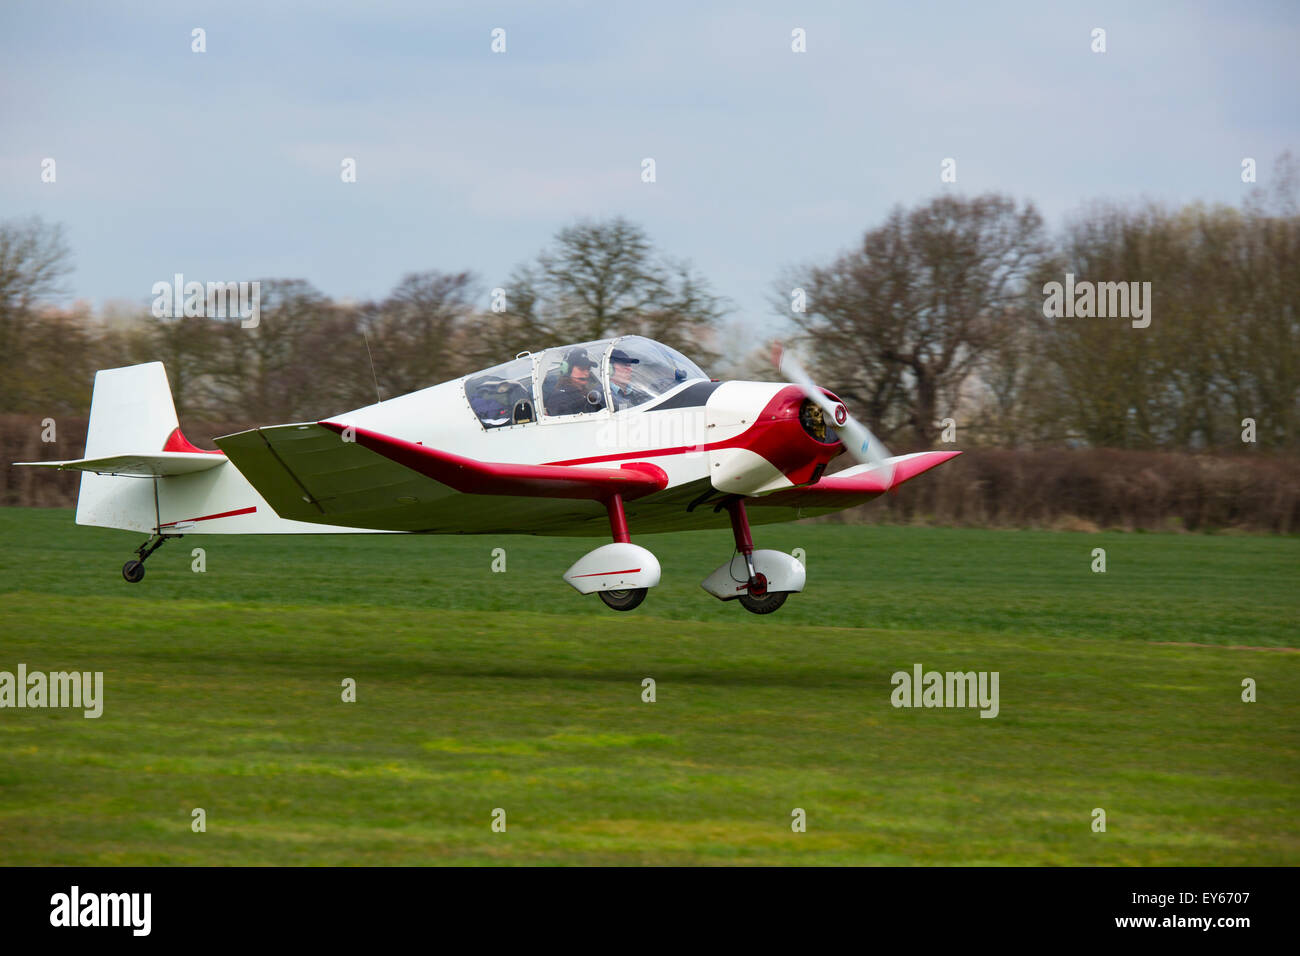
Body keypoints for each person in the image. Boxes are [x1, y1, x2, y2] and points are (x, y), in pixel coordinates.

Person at [546, 349, 605, 416]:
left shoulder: (584, 392)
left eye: (588, 369)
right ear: (567, 370)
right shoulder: (559, 398)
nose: (586, 373)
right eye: (582, 369)